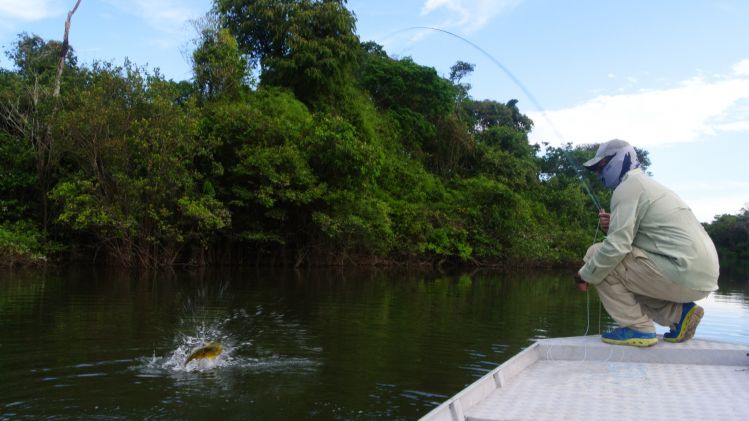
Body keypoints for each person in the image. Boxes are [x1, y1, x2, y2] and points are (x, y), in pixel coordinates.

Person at [574, 139, 719, 347]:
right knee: (625, 273)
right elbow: (650, 239)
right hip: (701, 275)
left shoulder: (627, 188)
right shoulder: (649, 185)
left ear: (619, 159)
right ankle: (680, 314)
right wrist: (614, 224)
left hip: (680, 271)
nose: (598, 174)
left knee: (596, 254)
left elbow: (617, 247)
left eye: (601, 167)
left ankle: (638, 328)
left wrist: (584, 274)